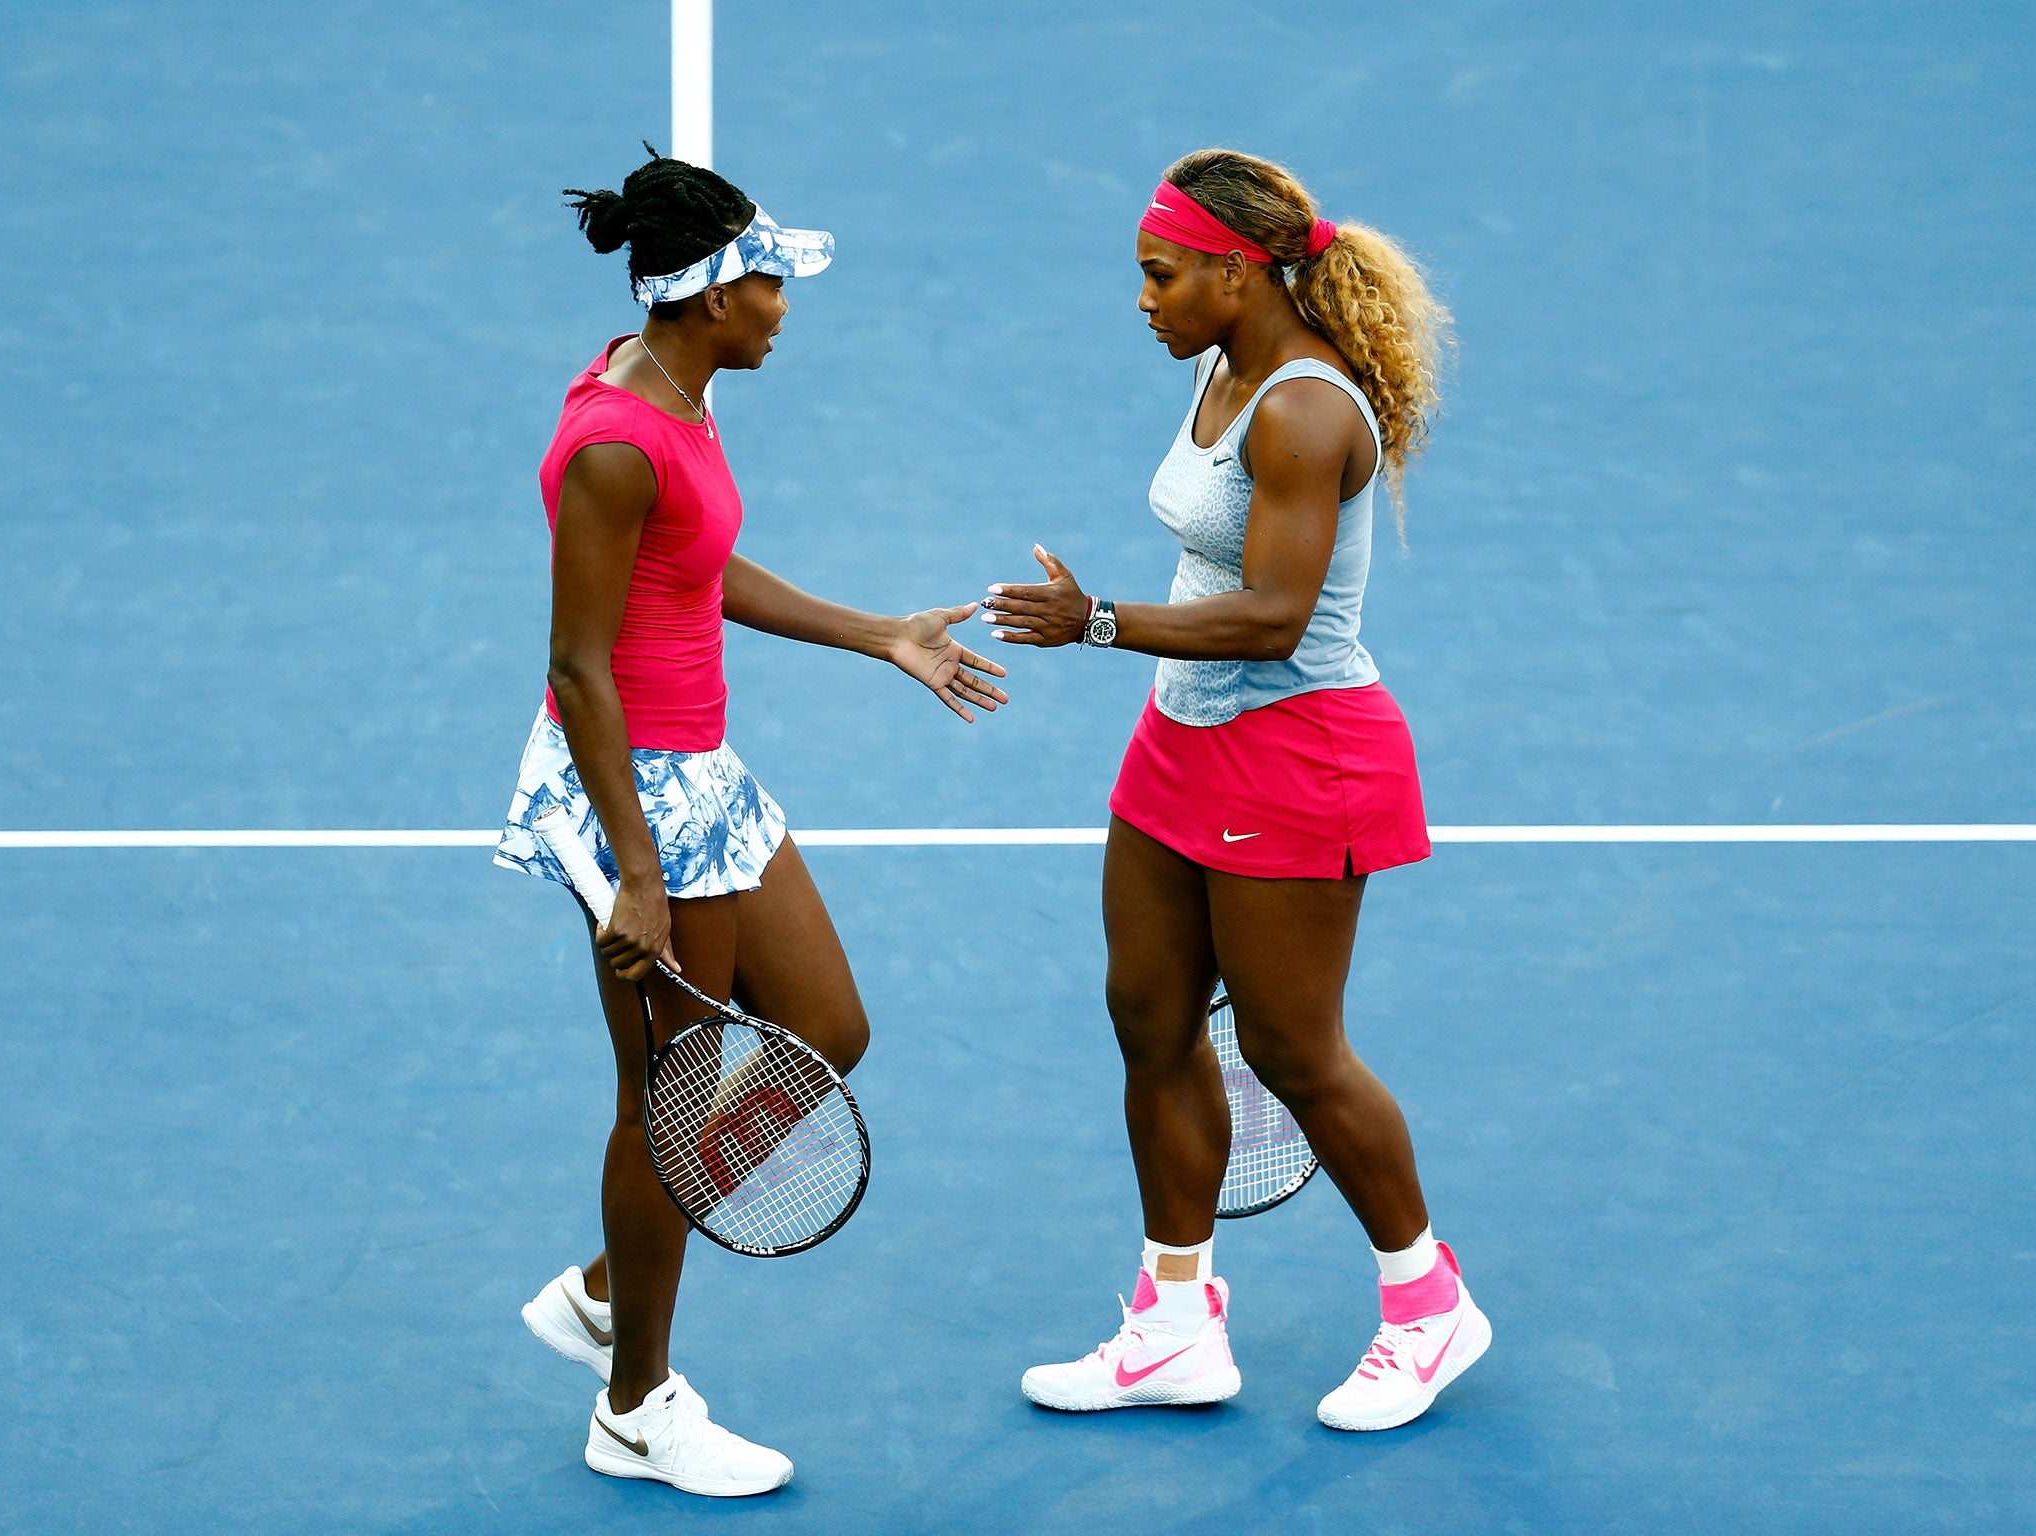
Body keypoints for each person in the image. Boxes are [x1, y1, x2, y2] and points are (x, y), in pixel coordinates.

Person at [493, 147, 1007, 1496]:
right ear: (712, 297)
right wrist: (639, 879)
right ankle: (633, 1406)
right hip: (641, 796)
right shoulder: (618, 443)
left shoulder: (678, 390)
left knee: (827, 1029)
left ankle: (612, 1281)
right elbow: (578, 666)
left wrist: (881, 633)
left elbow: (699, 568)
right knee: (665, 1106)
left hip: (704, 777)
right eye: (770, 283)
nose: (786, 304)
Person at [984, 148, 1488, 1432]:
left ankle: (1428, 1307)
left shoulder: (1304, 411)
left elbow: (1271, 617)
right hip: (1176, 742)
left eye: (1158, 275)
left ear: (1232, 269)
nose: (1141, 300)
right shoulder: (1222, 364)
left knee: (1288, 1050)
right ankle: (1171, 1325)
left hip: (1300, 754)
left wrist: (1094, 621)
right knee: (1148, 1017)